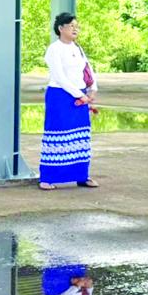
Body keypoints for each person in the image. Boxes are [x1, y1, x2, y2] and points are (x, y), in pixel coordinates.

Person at [39, 13, 98, 191]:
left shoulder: (77, 47)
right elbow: (59, 77)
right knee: (58, 135)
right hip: (60, 96)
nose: (75, 29)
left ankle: (81, 175)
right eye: (71, 25)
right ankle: (48, 178)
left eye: (76, 26)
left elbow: (87, 69)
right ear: (61, 28)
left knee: (80, 136)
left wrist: (93, 88)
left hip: (80, 95)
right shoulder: (54, 49)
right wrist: (79, 95)